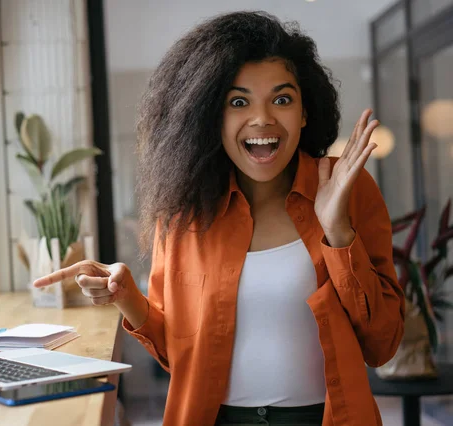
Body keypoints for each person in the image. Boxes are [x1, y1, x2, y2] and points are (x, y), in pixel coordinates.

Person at [33, 11, 405, 426]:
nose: (262, 119)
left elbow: (383, 343)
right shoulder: (183, 209)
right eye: (238, 101)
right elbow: (179, 357)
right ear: (211, 115)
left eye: (282, 99)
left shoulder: (347, 187)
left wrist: (337, 232)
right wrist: (127, 297)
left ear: (304, 112)